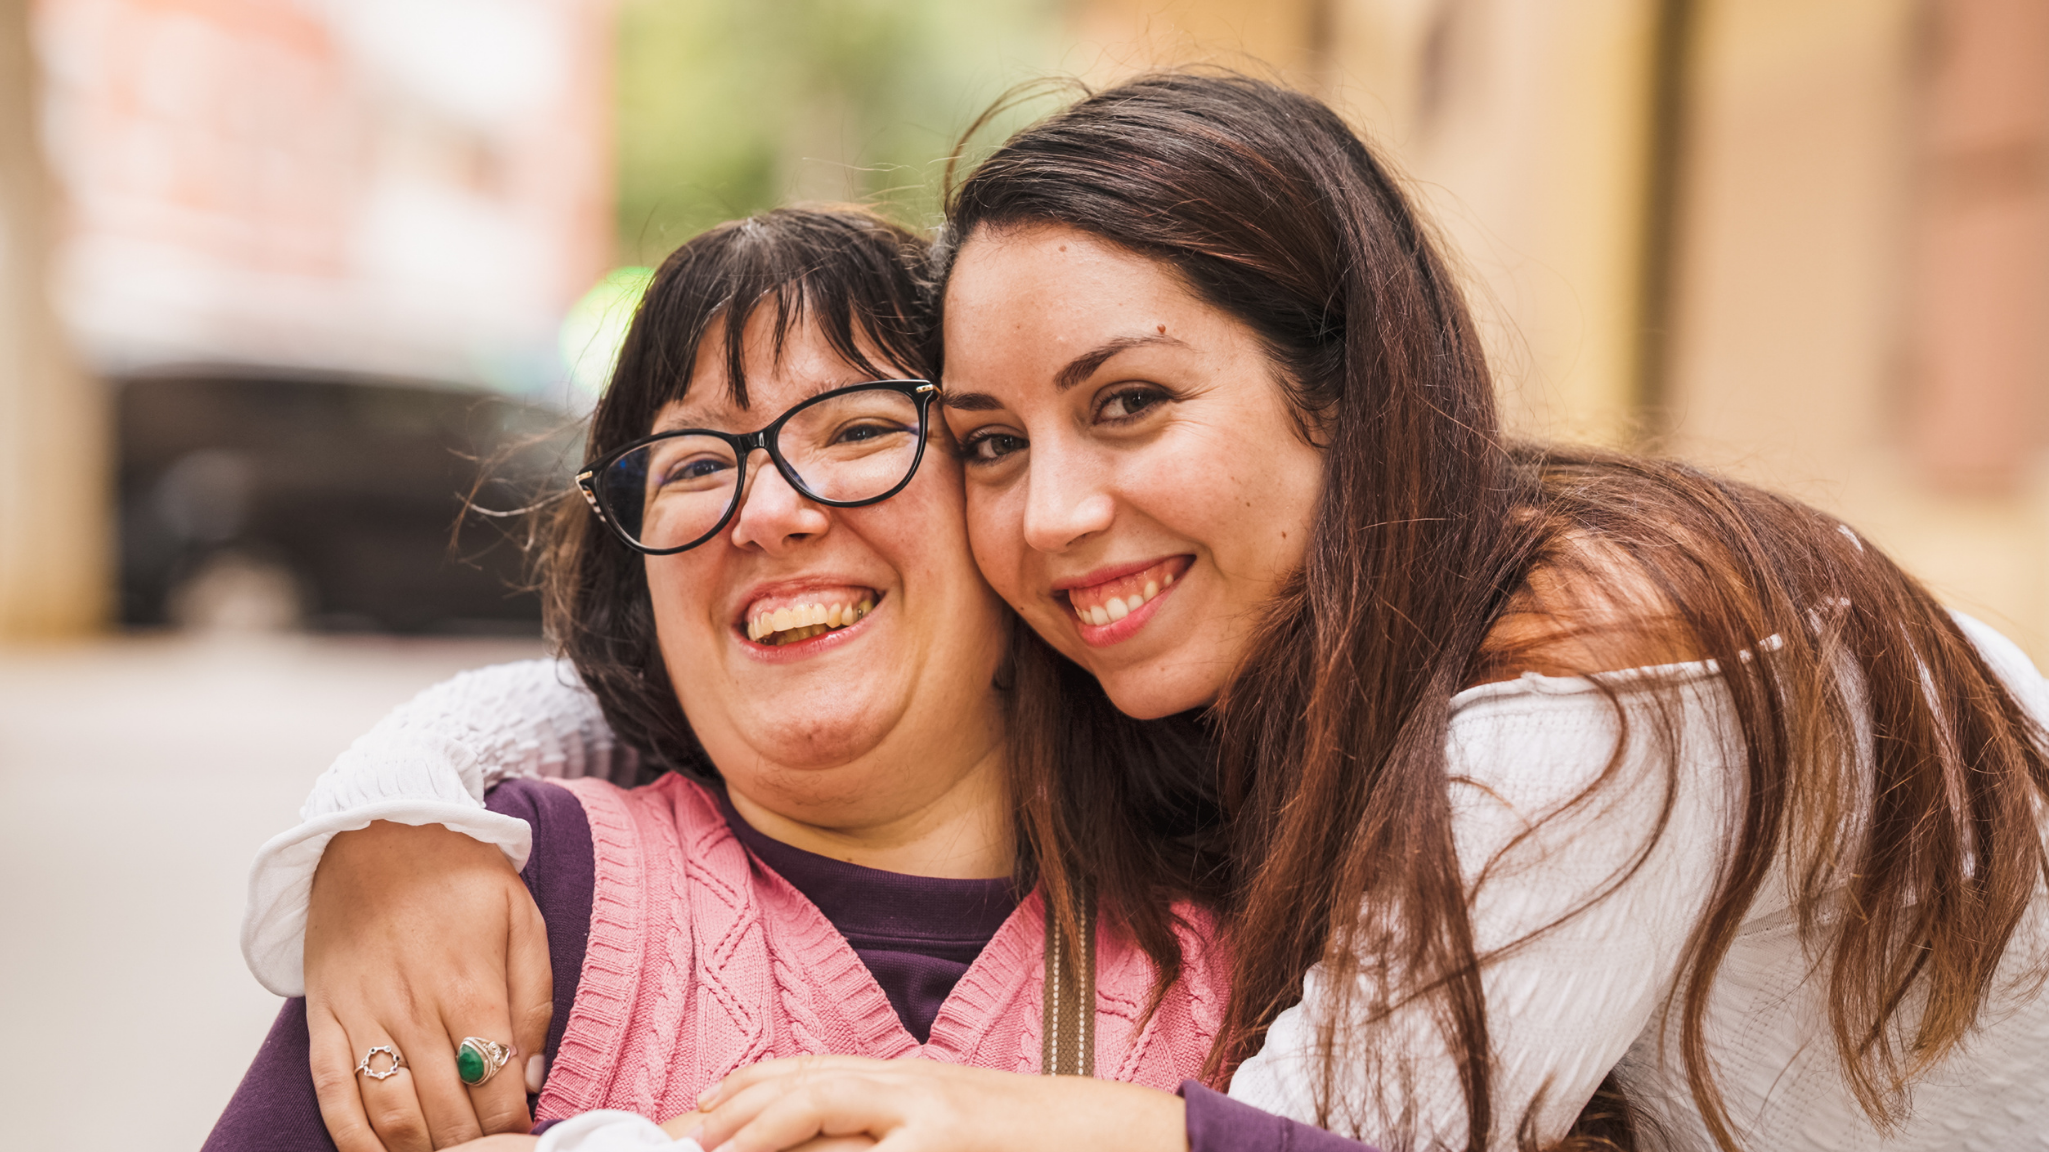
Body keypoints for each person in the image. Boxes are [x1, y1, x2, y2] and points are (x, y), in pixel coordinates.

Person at [254, 73, 2049, 1152]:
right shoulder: (1280, 664)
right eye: (986, 438)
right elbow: (744, 635)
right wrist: (395, 818)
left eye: (1128, 404)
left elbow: (1328, 1148)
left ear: (1342, 397)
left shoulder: (1594, 681)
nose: (1050, 512)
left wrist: (997, 1112)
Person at [202, 206, 1240, 1152]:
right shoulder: (495, 887)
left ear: (996, 486)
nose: (769, 510)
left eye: (862, 429)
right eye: (695, 464)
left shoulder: (1262, 942)